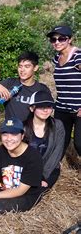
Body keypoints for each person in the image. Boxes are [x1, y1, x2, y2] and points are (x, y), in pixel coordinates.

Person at [0, 51, 50, 122]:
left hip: (33, 130)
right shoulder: (9, 83)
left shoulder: (42, 89)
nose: (22, 70)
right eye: (20, 66)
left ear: (35, 68)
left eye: (27, 66)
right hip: (11, 130)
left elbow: (47, 112)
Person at [47, 25, 81, 156]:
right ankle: (49, 174)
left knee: (79, 144)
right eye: (53, 39)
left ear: (70, 39)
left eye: (61, 39)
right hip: (61, 108)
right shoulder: (56, 58)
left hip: (78, 109)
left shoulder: (77, 56)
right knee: (58, 144)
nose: (57, 42)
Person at [24, 91, 65, 188]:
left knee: (39, 190)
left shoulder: (57, 126)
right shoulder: (23, 127)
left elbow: (57, 153)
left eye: (49, 106)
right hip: (27, 169)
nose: (46, 110)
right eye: (41, 107)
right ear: (31, 108)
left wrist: (43, 176)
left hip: (49, 169)